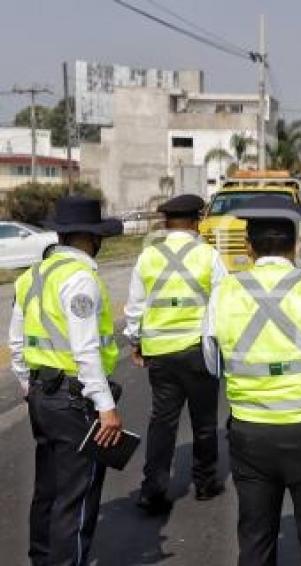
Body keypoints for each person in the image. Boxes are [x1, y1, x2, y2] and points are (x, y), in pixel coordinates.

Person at [202, 195, 301, 566]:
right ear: (298, 244)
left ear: (247, 247)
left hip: (250, 435)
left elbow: (213, 364)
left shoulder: (222, 293)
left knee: (255, 542)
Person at [8, 196, 124, 566]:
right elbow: (86, 350)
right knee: (76, 497)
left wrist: (29, 386)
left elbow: (17, 341)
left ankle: (41, 559)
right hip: (75, 402)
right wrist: (106, 408)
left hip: (42, 395)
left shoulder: (33, 275)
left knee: (48, 489)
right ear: (93, 238)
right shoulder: (81, 280)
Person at [124, 194, 228, 514]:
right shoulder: (209, 256)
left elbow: (135, 308)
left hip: (160, 355)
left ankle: (152, 490)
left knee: (163, 422)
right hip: (199, 353)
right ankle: (205, 483)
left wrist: (136, 342)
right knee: (205, 421)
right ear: (197, 221)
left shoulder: (148, 258)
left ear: (166, 223)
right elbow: (223, 304)